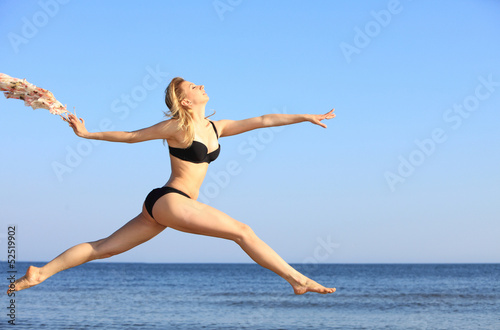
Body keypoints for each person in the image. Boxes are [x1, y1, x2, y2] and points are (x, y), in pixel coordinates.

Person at [9, 77, 336, 295]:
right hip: (171, 200)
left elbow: (264, 120)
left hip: (163, 205)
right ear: (184, 100)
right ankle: (296, 279)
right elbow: (132, 137)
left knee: (103, 248)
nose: (202, 86)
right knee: (243, 231)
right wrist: (86, 134)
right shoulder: (177, 127)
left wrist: (305, 116)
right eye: (194, 86)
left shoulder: (216, 127)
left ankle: (40, 273)